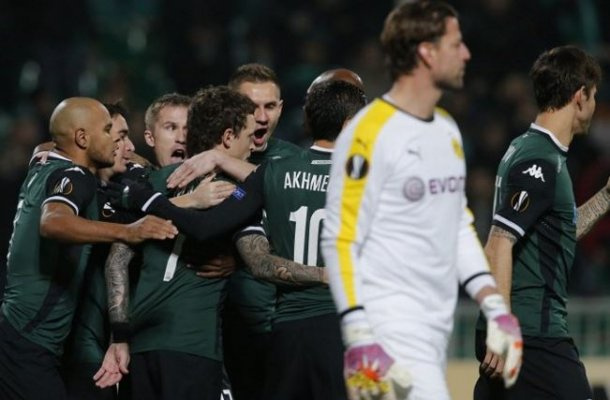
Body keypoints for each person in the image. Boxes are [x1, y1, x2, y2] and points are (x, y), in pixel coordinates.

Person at [320, 2, 523, 399]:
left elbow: (458, 226)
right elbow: (340, 237)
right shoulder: (369, 133)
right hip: (388, 334)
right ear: (427, 53)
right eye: (456, 43)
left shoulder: (446, 131)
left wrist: (495, 307)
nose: (466, 53)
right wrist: (358, 333)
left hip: (434, 333)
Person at [0, 97, 179, 400]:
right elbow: (53, 222)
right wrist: (129, 231)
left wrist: (135, 160)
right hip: (28, 342)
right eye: (109, 132)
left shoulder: (44, 162)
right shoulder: (76, 176)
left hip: (18, 333)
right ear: (82, 138)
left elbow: (48, 144)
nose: (118, 143)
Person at [101, 86, 265, 400]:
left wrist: (120, 336)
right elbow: (268, 183)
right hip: (193, 346)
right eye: (249, 137)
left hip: (141, 346)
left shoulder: (150, 182)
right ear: (228, 137)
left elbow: (117, 259)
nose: (253, 146)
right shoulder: (234, 189)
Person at [474, 45, 608, 400]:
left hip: (523, 331)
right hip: (532, 334)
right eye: (594, 95)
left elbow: (557, 232)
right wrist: (502, 327)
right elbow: (498, 242)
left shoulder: (532, 150)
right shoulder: (540, 161)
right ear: (580, 96)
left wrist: (607, 197)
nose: (596, 105)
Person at [235, 76, 366, 400]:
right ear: (350, 124)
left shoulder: (272, 172)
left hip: (285, 333)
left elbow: (255, 257)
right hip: (344, 328)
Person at [223, 63, 303, 400]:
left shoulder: (297, 163)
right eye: (250, 106)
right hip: (223, 330)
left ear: (281, 108)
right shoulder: (204, 160)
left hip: (284, 328)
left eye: (270, 106)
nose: (261, 117)